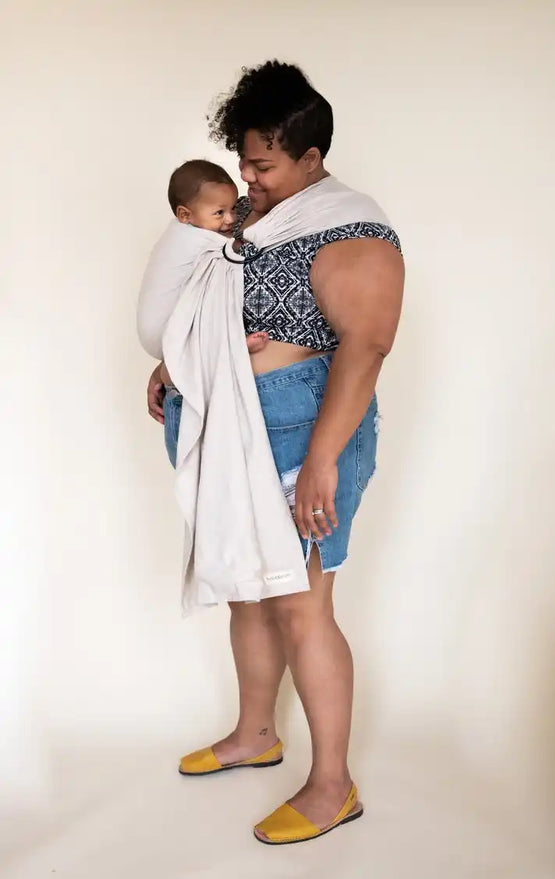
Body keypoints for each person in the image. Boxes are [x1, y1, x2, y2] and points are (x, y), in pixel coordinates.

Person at [146, 61, 404, 845]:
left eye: (261, 163)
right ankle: (256, 733)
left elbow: (366, 345)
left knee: (300, 604)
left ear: (310, 157)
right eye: (242, 162)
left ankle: (333, 785)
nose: (247, 178)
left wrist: (323, 459)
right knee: (247, 588)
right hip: (231, 427)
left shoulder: (350, 231)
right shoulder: (256, 220)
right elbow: (219, 306)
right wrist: (178, 362)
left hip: (300, 436)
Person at [138, 158, 268, 466]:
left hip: (162, 338)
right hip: (166, 331)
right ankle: (234, 343)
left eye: (232, 210)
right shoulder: (198, 238)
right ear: (185, 215)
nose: (229, 220)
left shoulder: (182, 230)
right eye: (219, 213)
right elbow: (238, 254)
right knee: (223, 289)